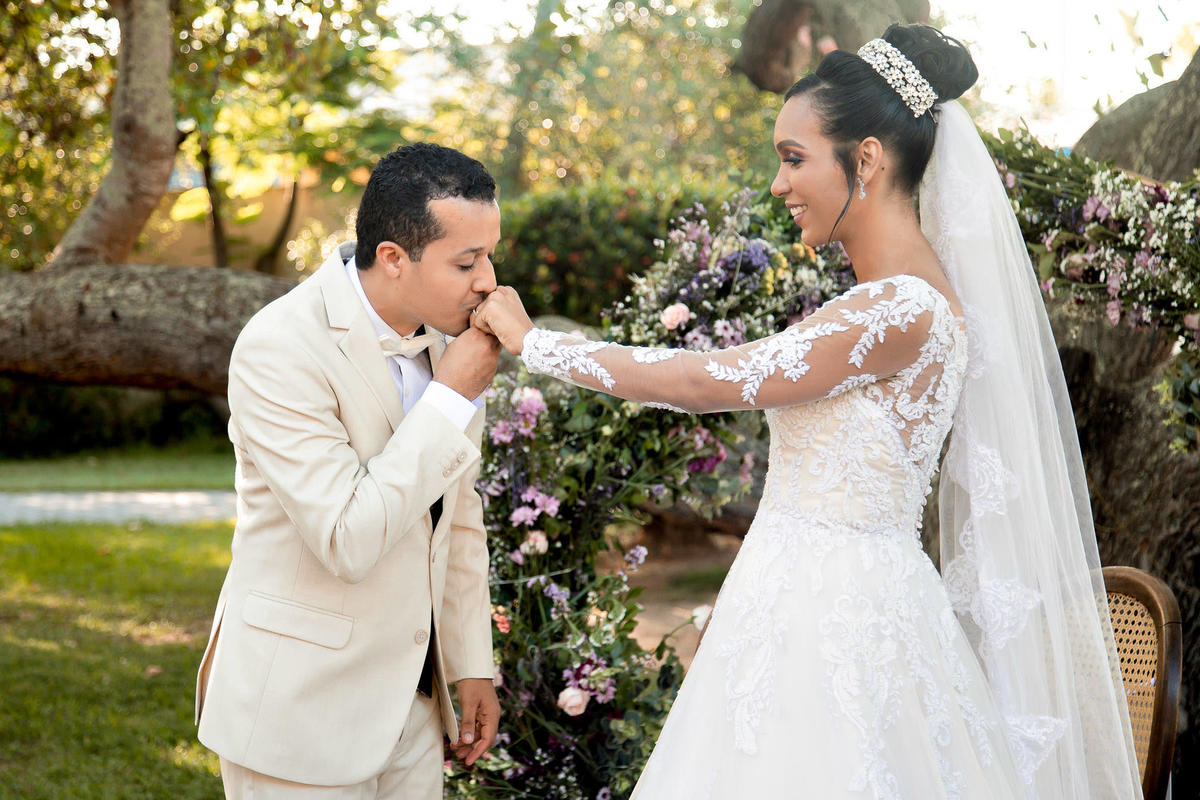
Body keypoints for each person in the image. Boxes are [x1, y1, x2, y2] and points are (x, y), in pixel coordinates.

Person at [473, 24, 1144, 800]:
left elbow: (707, 381)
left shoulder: (901, 309)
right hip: (799, 597)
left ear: (866, 159)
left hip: (839, 622)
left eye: (794, 159)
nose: (778, 185)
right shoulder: (883, 304)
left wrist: (536, 346)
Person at [195, 142, 503, 799]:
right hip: (297, 713)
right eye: (468, 261)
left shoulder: (451, 342)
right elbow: (344, 535)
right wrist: (449, 399)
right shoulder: (279, 346)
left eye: (490, 254)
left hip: (414, 713)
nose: (489, 280)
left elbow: (459, 521)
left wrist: (473, 664)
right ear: (393, 258)